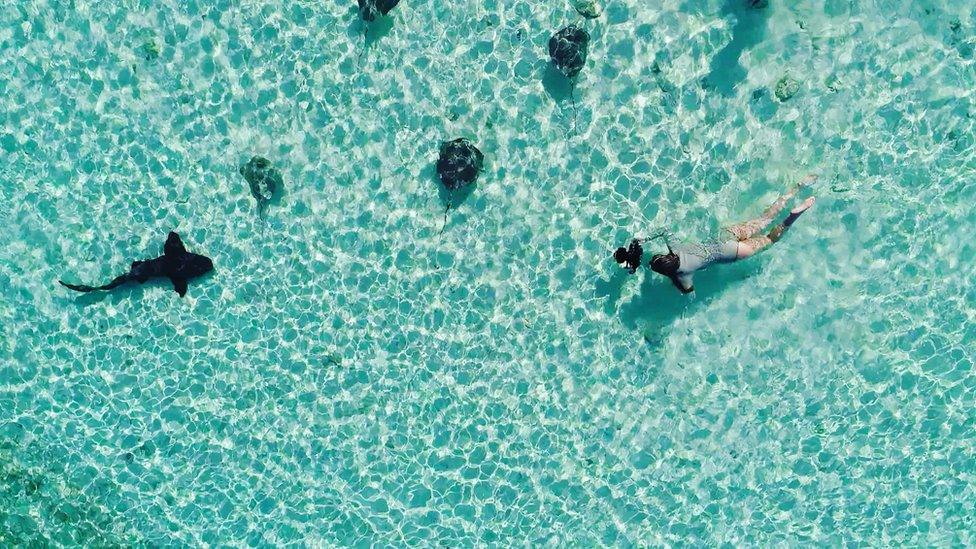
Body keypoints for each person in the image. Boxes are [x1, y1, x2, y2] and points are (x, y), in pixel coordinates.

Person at [648, 176, 817, 293]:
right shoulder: (676, 247)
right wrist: (643, 239)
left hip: (731, 253)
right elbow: (664, 231)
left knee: (769, 238)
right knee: (764, 219)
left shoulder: (683, 275)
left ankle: (793, 216)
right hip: (723, 237)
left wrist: (674, 281)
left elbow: (688, 291)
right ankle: (797, 188)